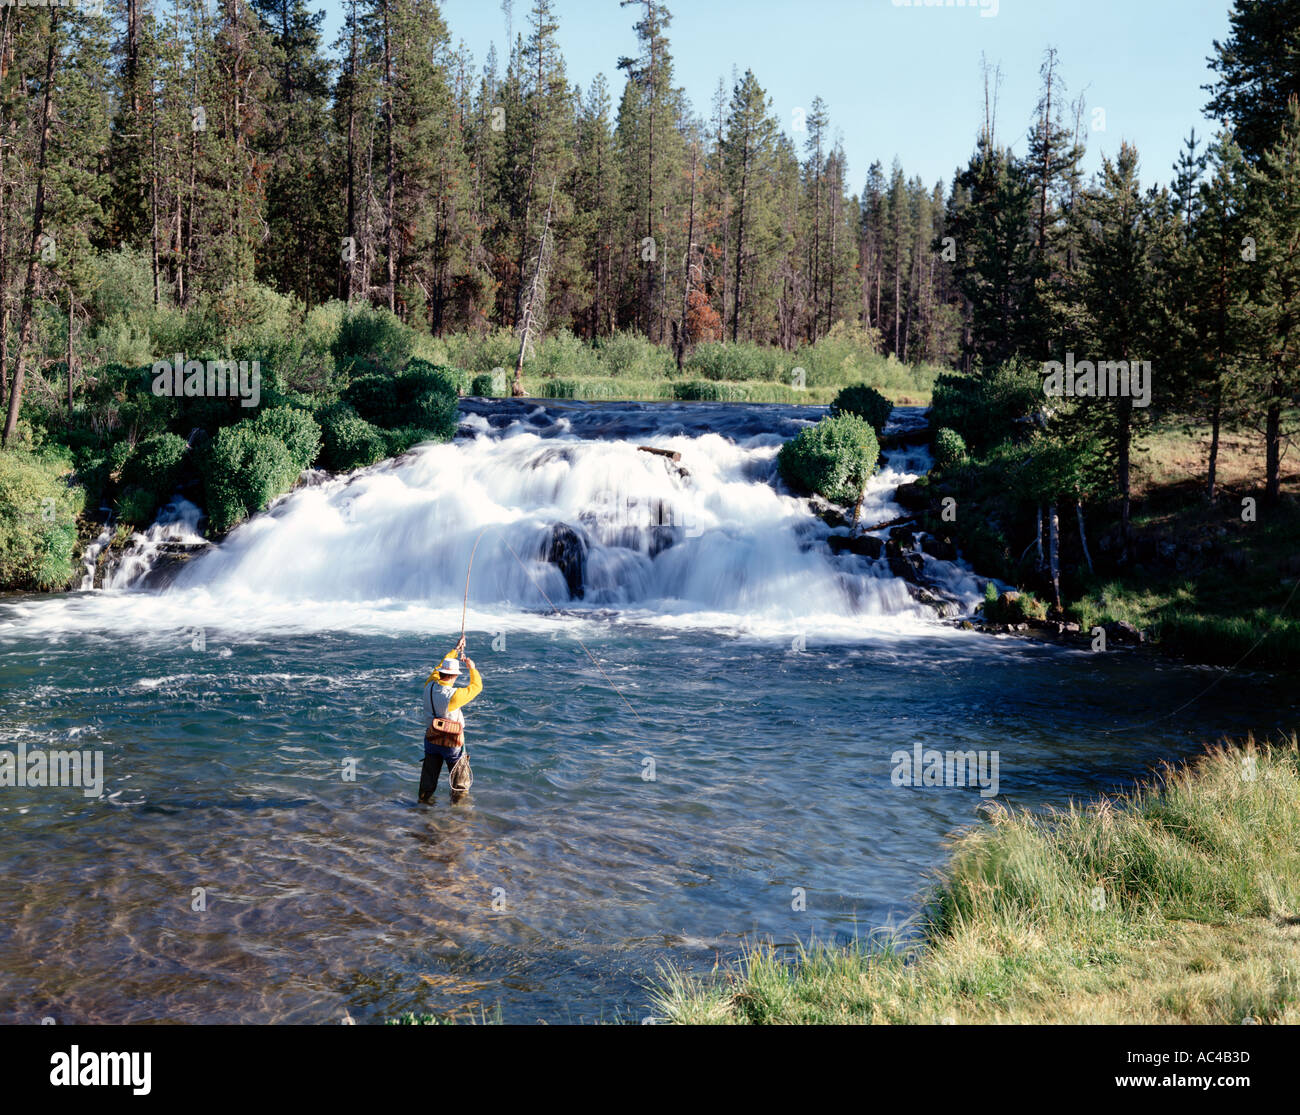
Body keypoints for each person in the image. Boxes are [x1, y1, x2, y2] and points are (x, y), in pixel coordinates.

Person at [418, 636, 482, 803]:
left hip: (431, 739)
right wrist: (472, 668)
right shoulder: (454, 696)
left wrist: (455, 650)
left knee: (428, 780)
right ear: (454, 676)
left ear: (440, 673)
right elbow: (477, 687)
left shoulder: (429, 684)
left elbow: (439, 665)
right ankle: (458, 816)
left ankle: (422, 808)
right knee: (460, 785)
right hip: (451, 743)